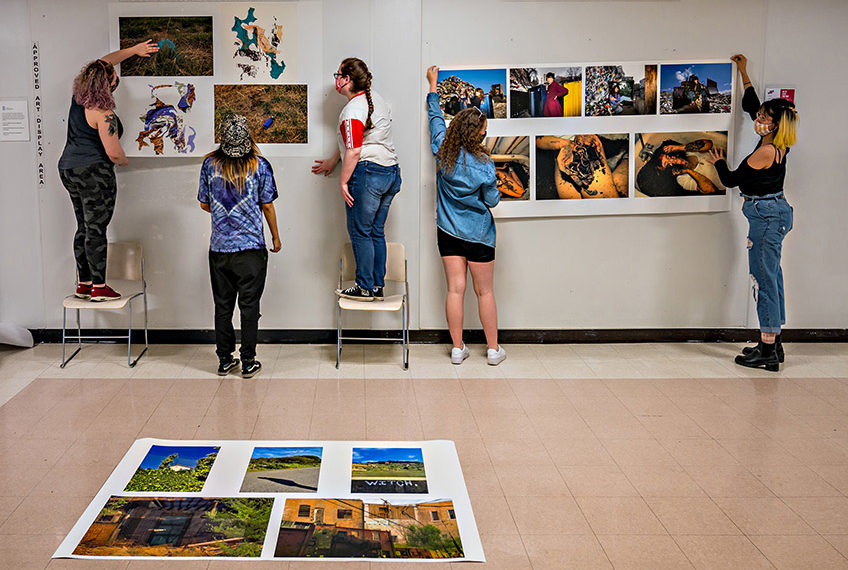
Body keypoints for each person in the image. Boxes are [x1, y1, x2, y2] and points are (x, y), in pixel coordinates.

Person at [706, 54, 798, 371]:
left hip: (766, 216)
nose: (757, 118)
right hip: (775, 212)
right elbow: (751, 104)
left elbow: (731, 180)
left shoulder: (765, 152)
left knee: (764, 281)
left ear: (773, 125)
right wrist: (743, 71)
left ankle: (768, 351)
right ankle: (773, 342)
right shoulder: (780, 143)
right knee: (773, 277)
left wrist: (717, 160)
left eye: (762, 117)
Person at [58, 41, 158, 302]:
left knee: (83, 227)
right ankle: (100, 287)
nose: (116, 78)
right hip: (93, 172)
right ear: (108, 84)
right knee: (96, 229)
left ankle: (85, 283)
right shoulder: (104, 114)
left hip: (68, 168)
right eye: (114, 77)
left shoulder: (78, 98)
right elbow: (113, 152)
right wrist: (124, 161)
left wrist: (133, 50)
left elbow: (103, 63)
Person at [426, 66, 505, 366]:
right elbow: (492, 201)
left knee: (454, 290)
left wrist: (433, 85)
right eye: (484, 130)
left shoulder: (442, 151)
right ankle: (494, 351)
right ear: (478, 134)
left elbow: (435, 119)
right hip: (480, 235)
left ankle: (458, 349)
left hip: (447, 231)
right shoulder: (485, 166)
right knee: (484, 292)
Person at [198, 114, 281, 379]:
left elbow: (204, 204)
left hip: (219, 250)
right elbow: (267, 204)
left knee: (222, 306)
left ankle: (224, 360)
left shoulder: (209, 165)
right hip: (251, 250)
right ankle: (248, 361)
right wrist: (275, 237)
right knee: (249, 307)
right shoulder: (260, 166)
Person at [312, 58, 401, 301]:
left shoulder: (352, 110)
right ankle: (375, 286)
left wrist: (343, 181)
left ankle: (363, 287)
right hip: (390, 173)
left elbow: (354, 150)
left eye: (338, 75)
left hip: (369, 175)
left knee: (361, 232)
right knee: (375, 232)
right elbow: (362, 140)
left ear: (347, 80)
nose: (336, 79)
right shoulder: (375, 99)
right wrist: (334, 159)